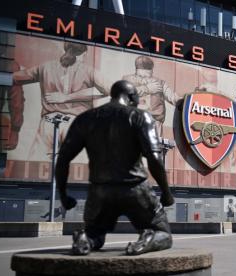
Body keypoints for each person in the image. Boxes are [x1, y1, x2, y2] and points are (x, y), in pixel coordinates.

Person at [55, 80, 175, 256]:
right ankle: (148, 238)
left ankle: (84, 238)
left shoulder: (86, 118)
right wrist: (166, 192)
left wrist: (63, 194)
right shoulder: (140, 116)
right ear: (132, 97)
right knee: (162, 233)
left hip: (100, 191)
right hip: (135, 189)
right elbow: (154, 158)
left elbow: (63, 158)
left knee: (95, 234)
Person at [12, 42, 109, 160]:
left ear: (65, 49)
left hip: (48, 124)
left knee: (35, 168)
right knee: (75, 173)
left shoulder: (45, 67)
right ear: (85, 53)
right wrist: (69, 97)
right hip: (77, 124)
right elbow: (111, 90)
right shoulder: (88, 71)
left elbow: (13, 78)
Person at [122, 55, 179, 137]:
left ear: (151, 71)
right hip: (133, 118)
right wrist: (147, 88)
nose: (144, 78)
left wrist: (188, 100)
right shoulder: (127, 79)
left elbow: (173, 97)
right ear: (136, 70)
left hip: (154, 121)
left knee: (154, 146)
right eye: (141, 76)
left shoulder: (160, 83)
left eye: (147, 75)